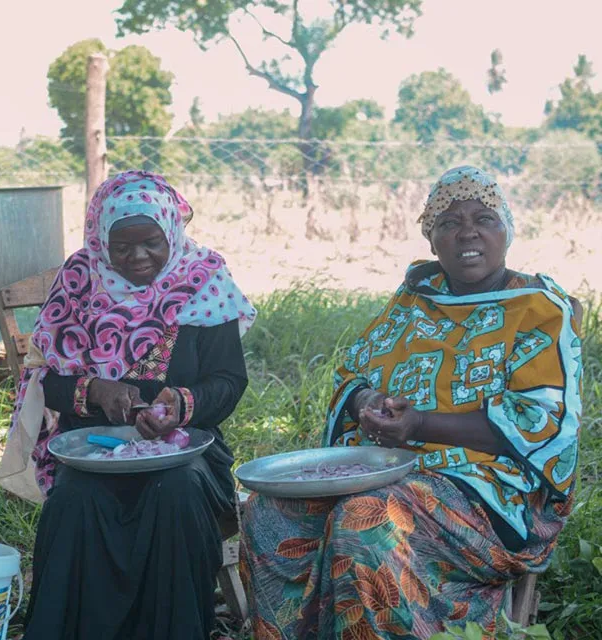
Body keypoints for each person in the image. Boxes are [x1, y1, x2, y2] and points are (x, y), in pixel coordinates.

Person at [240, 166, 583, 639]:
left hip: (493, 492)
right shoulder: (413, 299)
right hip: (384, 469)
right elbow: (353, 373)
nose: (467, 232)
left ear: (507, 229)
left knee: (366, 519)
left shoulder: (538, 309)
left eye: (484, 218)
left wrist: (420, 424)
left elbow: (540, 421)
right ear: (431, 239)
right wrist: (365, 401)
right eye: (448, 223)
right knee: (266, 512)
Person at [0, 170, 257, 639]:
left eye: (152, 243)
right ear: (101, 241)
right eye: (123, 246)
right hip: (94, 451)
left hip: (188, 453)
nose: (138, 257)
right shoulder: (79, 281)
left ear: (171, 232)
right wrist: (95, 390)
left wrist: (181, 403)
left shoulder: (203, 280)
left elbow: (228, 380)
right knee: (75, 500)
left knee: (175, 493)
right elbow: (48, 382)